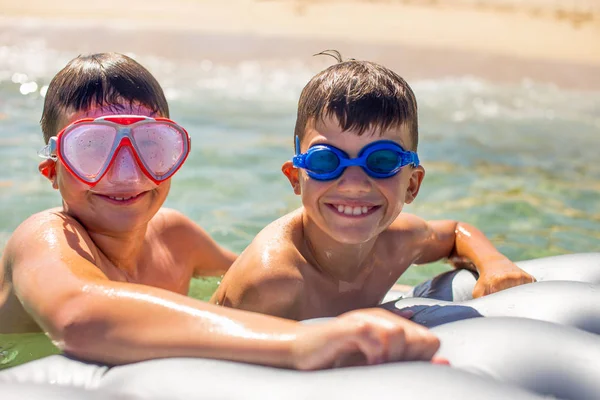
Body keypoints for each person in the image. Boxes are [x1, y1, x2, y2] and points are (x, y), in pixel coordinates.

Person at [0, 52, 445, 370]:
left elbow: (260, 280)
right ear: (52, 170)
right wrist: (301, 341)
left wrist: (374, 294)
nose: (126, 174)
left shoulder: (176, 237)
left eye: (151, 147)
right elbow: (79, 317)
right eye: (92, 150)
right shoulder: (42, 237)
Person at [210, 52, 536, 320]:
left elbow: (454, 233)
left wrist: (494, 263)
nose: (354, 184)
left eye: (381, 161)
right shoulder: (272, 281)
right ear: (296, 178)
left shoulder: (395, 244)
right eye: (327, 161)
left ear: (412, 184)